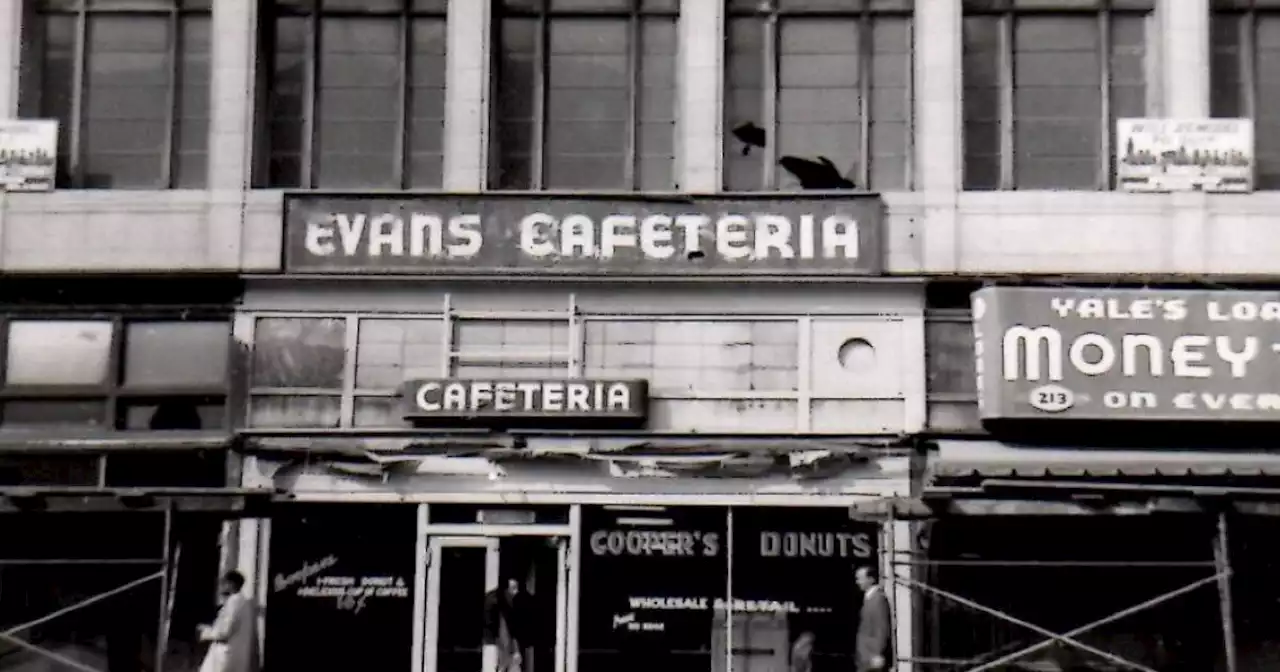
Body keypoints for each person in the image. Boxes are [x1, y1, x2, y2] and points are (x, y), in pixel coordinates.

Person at [198, 570, 260, 672]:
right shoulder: (244, 603)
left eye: (224, 583)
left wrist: (205, 633)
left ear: (231, 584)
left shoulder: (233, 602)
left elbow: (224, 632)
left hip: (224, 656)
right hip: (236, 655)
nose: (221, 586)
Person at [484, 576, 531, 672]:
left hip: (503, 648)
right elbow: (506, 631)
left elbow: (512, 631)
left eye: (516, 588)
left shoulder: (508, 605)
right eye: (513, 588)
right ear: (505, 590)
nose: (516, 592)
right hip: (499, 647)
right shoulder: (498, 606)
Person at [854, 566, 893, 672]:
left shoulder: (878, 599)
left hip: (872, 656)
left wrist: (878, 653)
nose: (857, 582)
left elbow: (881, 627)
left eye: (860, 578)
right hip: (866, 655)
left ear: (871, 579)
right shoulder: (869, 598)